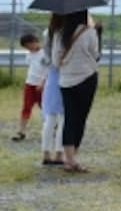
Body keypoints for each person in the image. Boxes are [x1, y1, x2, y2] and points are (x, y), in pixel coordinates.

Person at [53, 9, 102, 173]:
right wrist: (97, 32)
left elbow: (55, 60)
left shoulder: (59, 33)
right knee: (80, 119)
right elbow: (95, 55)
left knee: (69, 118)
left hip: (66, 81)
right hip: (87, 78)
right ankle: (73, 159)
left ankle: (68, 159)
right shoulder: (89, 32)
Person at [11, 33, 46, 143]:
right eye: (26, 47)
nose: (28, 49)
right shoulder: (29, 54)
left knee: (45, 109)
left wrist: (43, 83)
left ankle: (51, 129)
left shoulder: (45, 53)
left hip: (42, 85)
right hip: (30, 84)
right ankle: (21, 132)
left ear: (35, 41)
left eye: (29, 46)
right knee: (26, 107)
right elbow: (31, 67)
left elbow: (50, 70)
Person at [40, 15, 65, 165]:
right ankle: (59, 154)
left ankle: (46, 153)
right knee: (64, 118)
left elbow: (46, 59)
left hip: (52, 76)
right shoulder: (66, 33)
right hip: (67, 76)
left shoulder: (47, 32)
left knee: (50, 118)